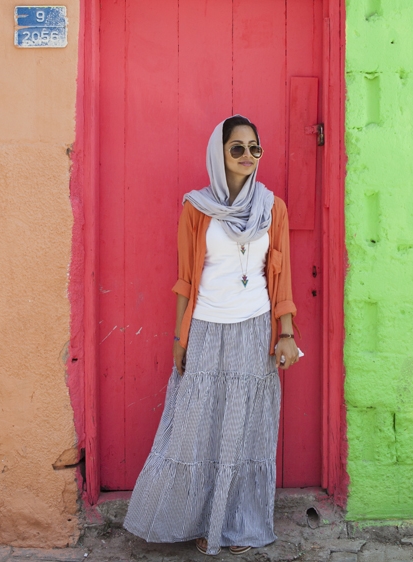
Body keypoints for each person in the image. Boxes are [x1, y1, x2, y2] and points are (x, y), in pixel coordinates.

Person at [122, 115, 299, 556]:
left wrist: (286, 333)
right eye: (236, 148)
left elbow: (282, 277)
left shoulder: (272, 208)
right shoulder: (197, 209)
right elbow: (185, 279)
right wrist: (179, 340)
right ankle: (198, 519)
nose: (246, 156)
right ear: (218, 154)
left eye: (254, 148)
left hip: (254, 329)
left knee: (243, 432)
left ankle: (237, 526)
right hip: (205, 328)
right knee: (197, 429)